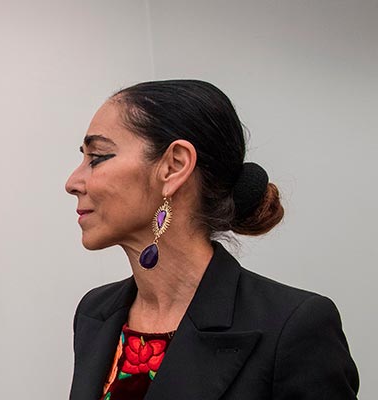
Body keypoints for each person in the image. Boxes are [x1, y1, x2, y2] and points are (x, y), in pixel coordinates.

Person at [65, 80, 359, 400]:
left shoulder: (293, 326)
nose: (72, 182)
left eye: (97, 157)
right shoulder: (95, 312)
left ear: (174, 166)